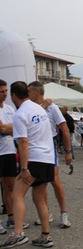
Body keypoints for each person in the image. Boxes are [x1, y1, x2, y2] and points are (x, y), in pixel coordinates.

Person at [1, 81, 54, 247]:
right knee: (39, 198)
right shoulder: (39, 108)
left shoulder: (20, 114)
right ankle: (45, 236)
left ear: (13, 95)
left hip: (34, 158)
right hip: (48, 158)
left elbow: (23, 142)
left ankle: (18, 234)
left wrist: (24, 168)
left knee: (16, 195)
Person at [27, 81, 72, 228]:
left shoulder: (52, 107)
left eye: (29, 91)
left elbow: (64, 129)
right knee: (41, 181)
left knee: (55, 180)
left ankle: (64, 213)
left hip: (49, 144)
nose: (27, 94)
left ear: (37, 92)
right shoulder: (31, 108)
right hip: (34, 145)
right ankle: (46, 212)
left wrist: (68, 151)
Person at [0, 80, 29, 234]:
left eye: (5, 91)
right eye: (1, 92)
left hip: (9, 151)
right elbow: (4, 128)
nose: (4, 94)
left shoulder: (11, 109)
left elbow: (13, 127)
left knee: (9, 187)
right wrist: (9, 128)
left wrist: (8, 128)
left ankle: (11, 218)